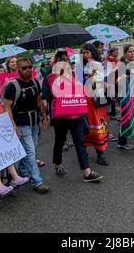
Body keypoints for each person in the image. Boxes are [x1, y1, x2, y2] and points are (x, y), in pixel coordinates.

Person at [43, 50, 103, 182]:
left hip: (76, 114)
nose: (65, 62)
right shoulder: (51, 75)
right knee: (60, 140)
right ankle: (57, 164)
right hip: (60, 116)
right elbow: (52, 90)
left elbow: (79, 88)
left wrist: (85, 79)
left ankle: (87, 172)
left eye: (66, 60)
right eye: (61, 60)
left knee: (80, 142)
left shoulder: (73, 74)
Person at [3, 57, 50, 194]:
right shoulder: (12, 86)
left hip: (34, 121)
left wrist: (44, 116)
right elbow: (7, 107)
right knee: (30, 152)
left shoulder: (35, 81)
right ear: (18, 70)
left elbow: (39, 99)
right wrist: (14, 126)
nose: (28, 69)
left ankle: (21, 174)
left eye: (30, 67)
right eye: (24, 68)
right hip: (21, 123)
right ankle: (37, 182)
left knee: (32, 150)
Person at [81, 43, 110, 165]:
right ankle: (84, 153)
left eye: (87, 52)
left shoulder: (98, 64)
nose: (85, 55)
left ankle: (100, 152)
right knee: (88, 124)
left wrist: (104, 84)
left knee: (99, 122)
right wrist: (87, 77)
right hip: (86, 99)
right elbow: (78, 82)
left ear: (92, 52)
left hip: (98, 97)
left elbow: (103, 80)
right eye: (83, 53)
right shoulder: (79, 67)